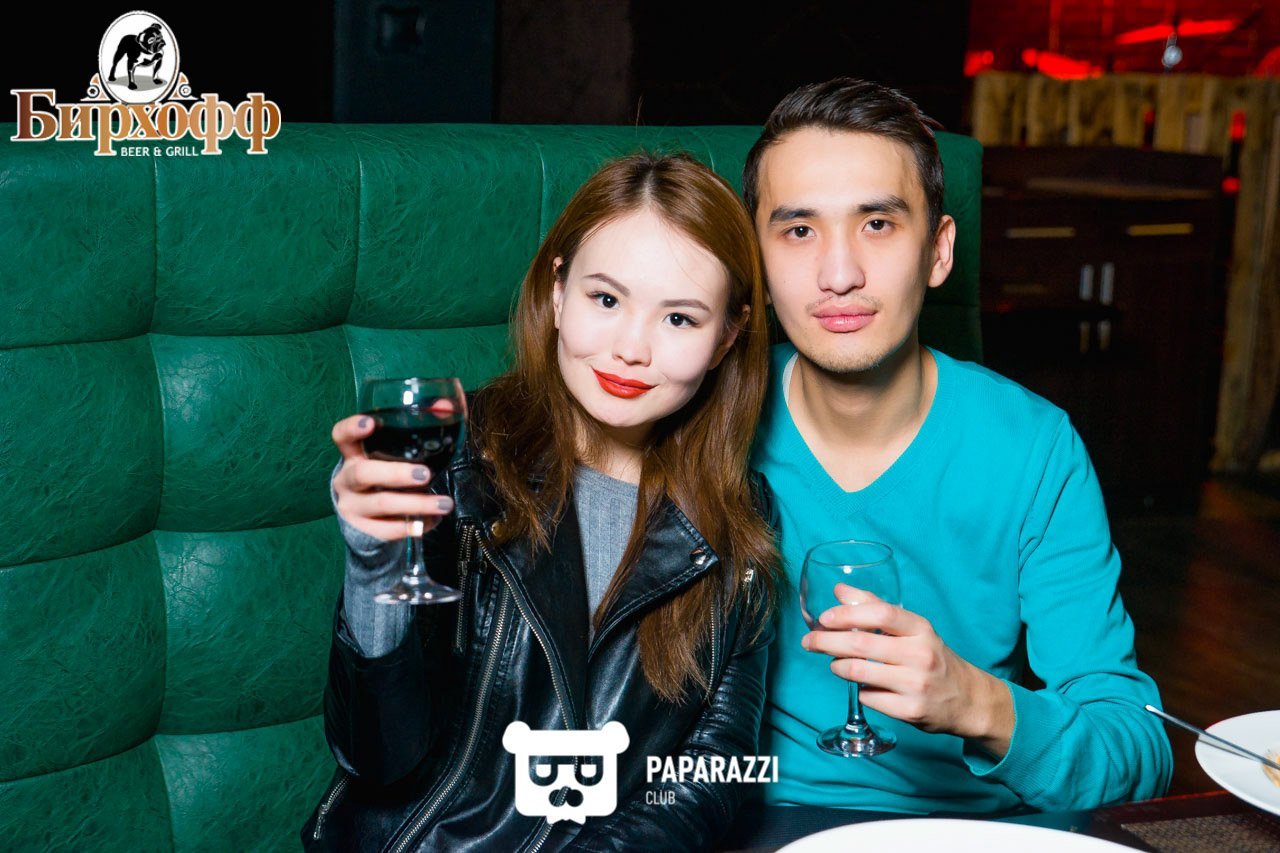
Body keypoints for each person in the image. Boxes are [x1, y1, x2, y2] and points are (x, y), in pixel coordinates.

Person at [301, 152, 781, 852]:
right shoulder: (452, 462)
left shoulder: (742, 518)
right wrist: (376, 564)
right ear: (558, 294)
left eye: (679, 318)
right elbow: (380, 761)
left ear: (726, 338)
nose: (631, 349)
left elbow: (714, 772)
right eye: (606, 300)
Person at [742, 78, 1174, 813]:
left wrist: (977, 702)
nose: (839, 274)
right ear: (756, 258)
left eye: (878, 224)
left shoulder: (1034, 448)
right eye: (799, 231)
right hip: (749, 818)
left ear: (939, 252)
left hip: (968, 828)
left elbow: (1137, 747)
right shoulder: (707, 420)